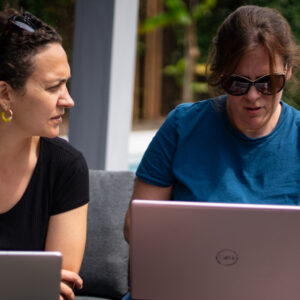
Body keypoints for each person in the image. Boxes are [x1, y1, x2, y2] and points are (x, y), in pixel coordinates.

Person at [122, 4, 300, 299]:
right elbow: (136, 228)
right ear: (220, 75)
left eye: (268, 82)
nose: (253, 96)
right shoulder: (183, 125)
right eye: (237, 83)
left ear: (288, 72)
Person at [0, 8, 89, 300]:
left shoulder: (66, 167)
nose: (69, 100)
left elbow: (58, 290)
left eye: (66, 83)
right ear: (5, 94)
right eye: (54, 87)